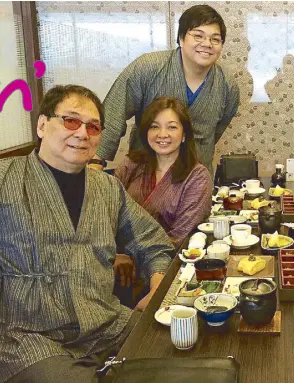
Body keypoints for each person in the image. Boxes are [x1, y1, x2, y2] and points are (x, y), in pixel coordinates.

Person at [0, 85, 175, 383]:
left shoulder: (107, 188)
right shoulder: (5, 179)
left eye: (93, 127)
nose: (82, 133)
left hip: (106, 323)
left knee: (179, 350)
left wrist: (157, 286)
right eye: (70, 121)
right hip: (31, 338)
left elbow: (153, 242)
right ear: (42, 125)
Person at [93, 4, 240, 174]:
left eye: (215, 39)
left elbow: (216, 132)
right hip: (145, 172)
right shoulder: (148, 68)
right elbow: (113, 114)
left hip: (195, 176)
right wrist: (96, 161)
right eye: (198, 36)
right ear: (181, 38)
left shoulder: (228, 86)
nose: (207, 44)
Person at [114, 96, 213, 248]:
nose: (162, 134)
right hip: (117, 259)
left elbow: (179, 237)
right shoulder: (130, 164)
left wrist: (138, 259)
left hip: (165, 262)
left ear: (184, 134)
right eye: (154, 126)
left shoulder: (197, 177)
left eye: (172, 127)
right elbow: (109, 216)